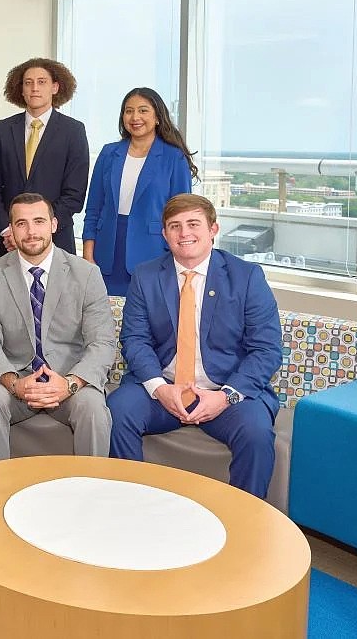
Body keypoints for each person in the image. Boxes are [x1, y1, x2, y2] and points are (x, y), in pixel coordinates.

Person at [108, 194, 281, 499]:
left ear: (214, 229)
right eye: (174, 226)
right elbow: (135, 340)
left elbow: (266, 350)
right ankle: (128, 507)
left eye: (193, 224)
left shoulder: (246, 277)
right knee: (117, 412)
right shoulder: (145, 276)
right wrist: (160, 388)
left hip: (224, 392)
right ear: (164, 235)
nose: (184, 233)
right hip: (162, 389)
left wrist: (225, 397)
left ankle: (243, 522)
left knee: (256, 434)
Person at [0, 193, 115, 463]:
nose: (31, 231)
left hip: (70, 380)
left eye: (38, 221)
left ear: (54, 225)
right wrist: (15, 384)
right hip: (16, 378)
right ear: (11, 230)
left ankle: (92, 491)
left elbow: (102, 343)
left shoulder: (86, 274)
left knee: (93, 406)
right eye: (21, 223)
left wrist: (71, 383)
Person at [83, 87, 198, 296]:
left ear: (157, 117)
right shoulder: (109, 153)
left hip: (154, 253)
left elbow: (183, 215)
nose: (135, 117)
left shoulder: (174, 157)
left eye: (143, 110)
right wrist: (88, 257)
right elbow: (93, 209)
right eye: (129, 111)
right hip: (107, 254)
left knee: (145, 323)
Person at [0, 58, 89, 257]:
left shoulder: (73, 131)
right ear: (21, 89)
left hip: (56, 241)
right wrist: (10, 230)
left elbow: (74, 194)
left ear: (55, 87)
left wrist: (38, 230)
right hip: (9, 242)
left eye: (42, 82)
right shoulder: (2, 130)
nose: (34, 88)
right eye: (28, 83)